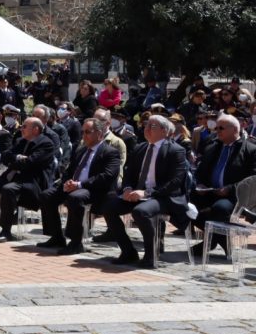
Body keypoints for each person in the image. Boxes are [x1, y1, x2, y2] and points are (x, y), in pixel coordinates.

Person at [100, 115, 189, 268]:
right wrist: (127, 188)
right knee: (108, 207)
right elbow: (129, 173)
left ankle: (151, 255)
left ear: (164, 131)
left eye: (152, 127)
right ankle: (128, 251)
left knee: (141, 212)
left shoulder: (176, 150)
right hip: (137, 193)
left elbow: (175, 182)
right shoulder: (140, 148)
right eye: (146, 125)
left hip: (163, 196)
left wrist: (147, 193)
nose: (146, 129)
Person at [38, 118, 121, 255]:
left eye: (88, 132)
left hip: (95, 190)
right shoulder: (81, 150)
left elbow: (106, 176)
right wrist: (66, 182)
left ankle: (76, 242)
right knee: (47, 195)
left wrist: (80, 184)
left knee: (75, 198)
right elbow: (70, 171)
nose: (84, 135)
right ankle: (56, 236)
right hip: (74, 185)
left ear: (99, 134)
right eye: (83, 132)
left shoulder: (110, 152)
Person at [0, 117, 56, 242]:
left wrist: (16, 161)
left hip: (31, 182)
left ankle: (5, 230)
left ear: (35, 129)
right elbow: (5, 156)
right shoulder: (21, 141)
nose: (21, 128)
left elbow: (30, 163)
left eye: (25, 126)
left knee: (8, 189)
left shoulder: (46, 144)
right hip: (11, 177)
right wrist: (19, 158)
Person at [190, 114, 256, 257]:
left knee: (219, 208)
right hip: (210, 192)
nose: (217, 131)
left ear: (234, 129)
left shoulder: (250, 149)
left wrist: (230, 188)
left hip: (235, 196)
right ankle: (219, 240)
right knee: (185, 205)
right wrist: (200, 184)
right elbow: (200, 171)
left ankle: (212, 241)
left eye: (221, 128)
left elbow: (252, 179)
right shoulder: (213, 147)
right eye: (216, 127)